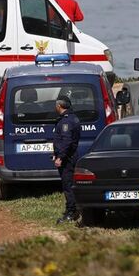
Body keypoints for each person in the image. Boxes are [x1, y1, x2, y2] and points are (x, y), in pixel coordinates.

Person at [52, 95, 81, 223]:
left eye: (55, 105)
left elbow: (66, 141)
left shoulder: (66, 121)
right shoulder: (72, 118)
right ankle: (74, 209)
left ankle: (71, 212)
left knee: (68, 185)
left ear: (59, 106)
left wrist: (60, 157)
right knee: (70, 184)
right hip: (70, 156)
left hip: (67, 158)